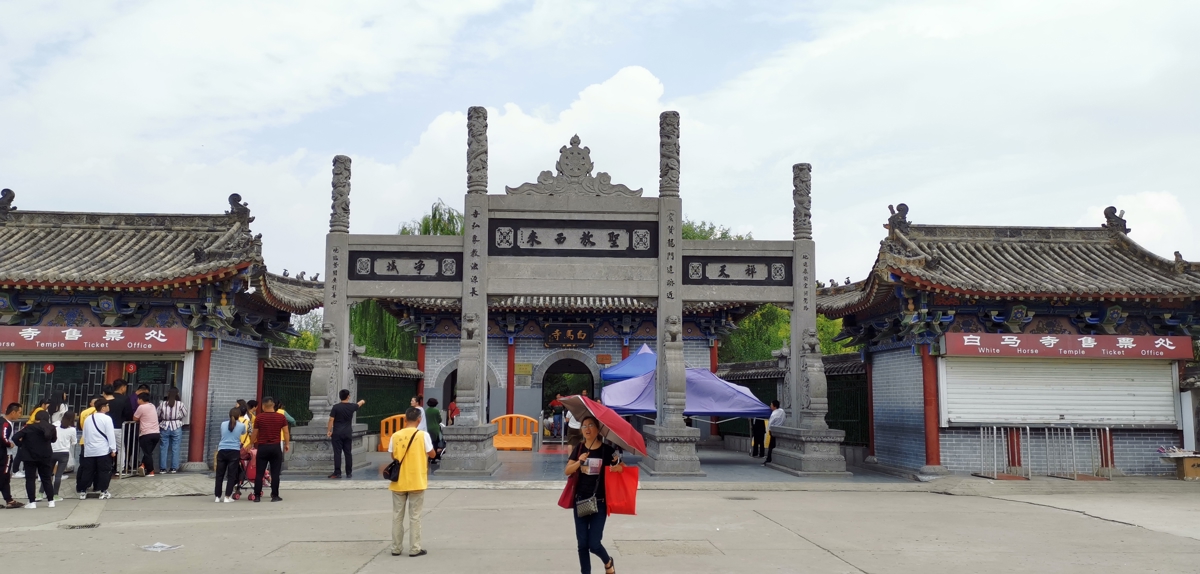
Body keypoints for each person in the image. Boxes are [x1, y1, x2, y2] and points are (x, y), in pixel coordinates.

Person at [564, 415, 623, 574]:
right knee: (582, 544)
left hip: (600, 503)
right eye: (584, 426)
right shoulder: (579, 448)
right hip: (580, 501)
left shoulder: (606, 450)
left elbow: (621, 469)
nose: (587, 429)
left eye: (591, 425)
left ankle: (608, 561)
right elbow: (567, 471)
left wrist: (617, 464)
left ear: (598, 429)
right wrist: (579, 461)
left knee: (594, 544)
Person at [386, 406, 435, 558]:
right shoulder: (423, 435)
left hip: (398, 481)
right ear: (419, 420)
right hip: (416, 480)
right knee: (415, 516)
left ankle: (396, 547)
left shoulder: (395, 435)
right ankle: (414, 548)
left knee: (397, 516)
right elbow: (432, 454)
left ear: (405, 419)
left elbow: (393, 456)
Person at [250, 396, 290, 502]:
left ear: (263, 406)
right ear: (273, 405)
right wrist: (287, 444)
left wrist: (250, 443)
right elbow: (286, 432)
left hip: (262, 447)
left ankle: (257, 496)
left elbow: (255, 433)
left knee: (259, 472)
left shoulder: (259, 417)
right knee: (275, 473)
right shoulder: (281, 417)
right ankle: (275, 495)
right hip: (275, 447)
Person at [14, 410, 57, 508]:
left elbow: (15, 437)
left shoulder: (29, 427)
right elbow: (54, 440)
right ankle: (51, 501)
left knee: (30, 479)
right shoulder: (51, 428)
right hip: (45, 456)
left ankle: (32, 502)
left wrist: (21, 445)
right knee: (46, 478)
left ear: (36, 418)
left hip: (29, 456)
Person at [77, 398, 117, 500]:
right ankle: (103, 491)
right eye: (107, 405)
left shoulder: (88, 418)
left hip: (89, 450)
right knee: (104, 471)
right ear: (103, 407)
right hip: (102, 450)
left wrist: (86, 448)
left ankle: (83, 491)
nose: (109, 407)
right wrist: (113, 449)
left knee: (88, 471)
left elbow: (84, 435)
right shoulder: (107, 419)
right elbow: (110, 435)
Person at [327, 389, 365, 479]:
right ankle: (349, 473)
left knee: (337, 453)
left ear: (340, 397)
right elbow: (359, 404)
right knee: (348, 453)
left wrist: (329, 430)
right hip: (347, 433)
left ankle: (337, 472)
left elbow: (331, 419)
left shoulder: (336, 407)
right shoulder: (352, 407)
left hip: (337, 433)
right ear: (348, 396)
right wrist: (362, 401)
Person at [214, 407, 245, 503]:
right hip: (234, 451)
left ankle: (217, 497)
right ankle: (227, 497)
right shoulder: (241, 425)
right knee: (231, 475)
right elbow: (243, 433)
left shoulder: (223, 424)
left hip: (222, 450)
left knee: (219, 475)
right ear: (238, 416)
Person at [48, 410, 77, 501]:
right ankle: (55, 494)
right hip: (64, 453)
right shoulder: (72, 429)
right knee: (58, 475)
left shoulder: (55, 425)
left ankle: (41, 493)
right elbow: (74, 442)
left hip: (52, 451)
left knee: (48, 474)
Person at [156, 388, 186, 474]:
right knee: (175, 448)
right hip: (176, 426)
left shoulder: (162, 404)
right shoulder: (180, 404)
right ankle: (173, 468)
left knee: (163, 448)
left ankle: (162, 469)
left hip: (164, 426)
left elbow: (157, 414)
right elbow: (185, 413)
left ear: (168, 394)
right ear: (177, 394)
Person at [108, 380, 134, 475]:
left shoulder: (108, 398)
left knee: (108, 448)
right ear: (122, 387)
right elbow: (129, 414)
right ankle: (120, 469)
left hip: (107, 428)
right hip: (119, 427)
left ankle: (108, 467)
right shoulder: (125, 399)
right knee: (120, 448)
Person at [133, 392, 161, 477]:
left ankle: (151, 471)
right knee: (148, 452)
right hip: (156, 434)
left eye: (138, 399)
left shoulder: (141, 407)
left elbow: (134, 418)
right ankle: (143, 465)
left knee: (147, 453)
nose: (137, 400)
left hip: (146, 434)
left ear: (141, 399)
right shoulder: (152, 406)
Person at [1, 403, 23, 509]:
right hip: (5, 454)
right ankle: (9, 499)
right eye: (19, 412)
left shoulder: (3, 421)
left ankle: (9, 499)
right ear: (13, 412)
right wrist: (9, 444)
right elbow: (3, 437)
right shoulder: (6, 424)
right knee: (4, 476)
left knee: (5, 477)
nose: (20, 415)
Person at [763, 400, 784, 466]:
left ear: (774, 406)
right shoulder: (782, 411)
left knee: (771, 446)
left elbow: (770, 424)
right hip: (780, 429)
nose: (770, 406)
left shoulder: (774, 414)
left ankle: (769, 459)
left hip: (773, 431)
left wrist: (768, 430)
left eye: (771, 405)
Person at [424, 398, 443, 463]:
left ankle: (428, 457)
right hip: (435, 428)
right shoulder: (436, 410)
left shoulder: (426, 411)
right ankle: (433, 458)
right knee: (435, 443)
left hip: (427, 428)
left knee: (429, 442)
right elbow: (440, 420)